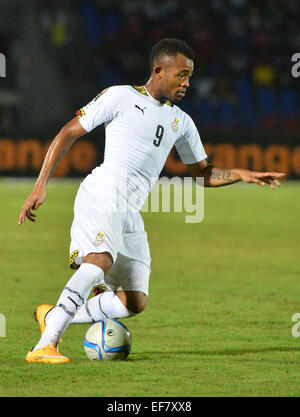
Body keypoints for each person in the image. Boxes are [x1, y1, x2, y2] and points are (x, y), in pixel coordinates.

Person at [19, 38, 285, 363]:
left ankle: (56, 315)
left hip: (130, 210)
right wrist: (40, 185)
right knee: (99, 260)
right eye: (181, 75)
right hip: (105, 191)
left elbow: (203, 174)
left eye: (190, 76)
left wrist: (242, 174)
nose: (187, 83)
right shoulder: (120, 96)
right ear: (159, 70)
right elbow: (68, 133)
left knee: (134, 301)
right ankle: (45, 345)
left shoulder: (182, 122)